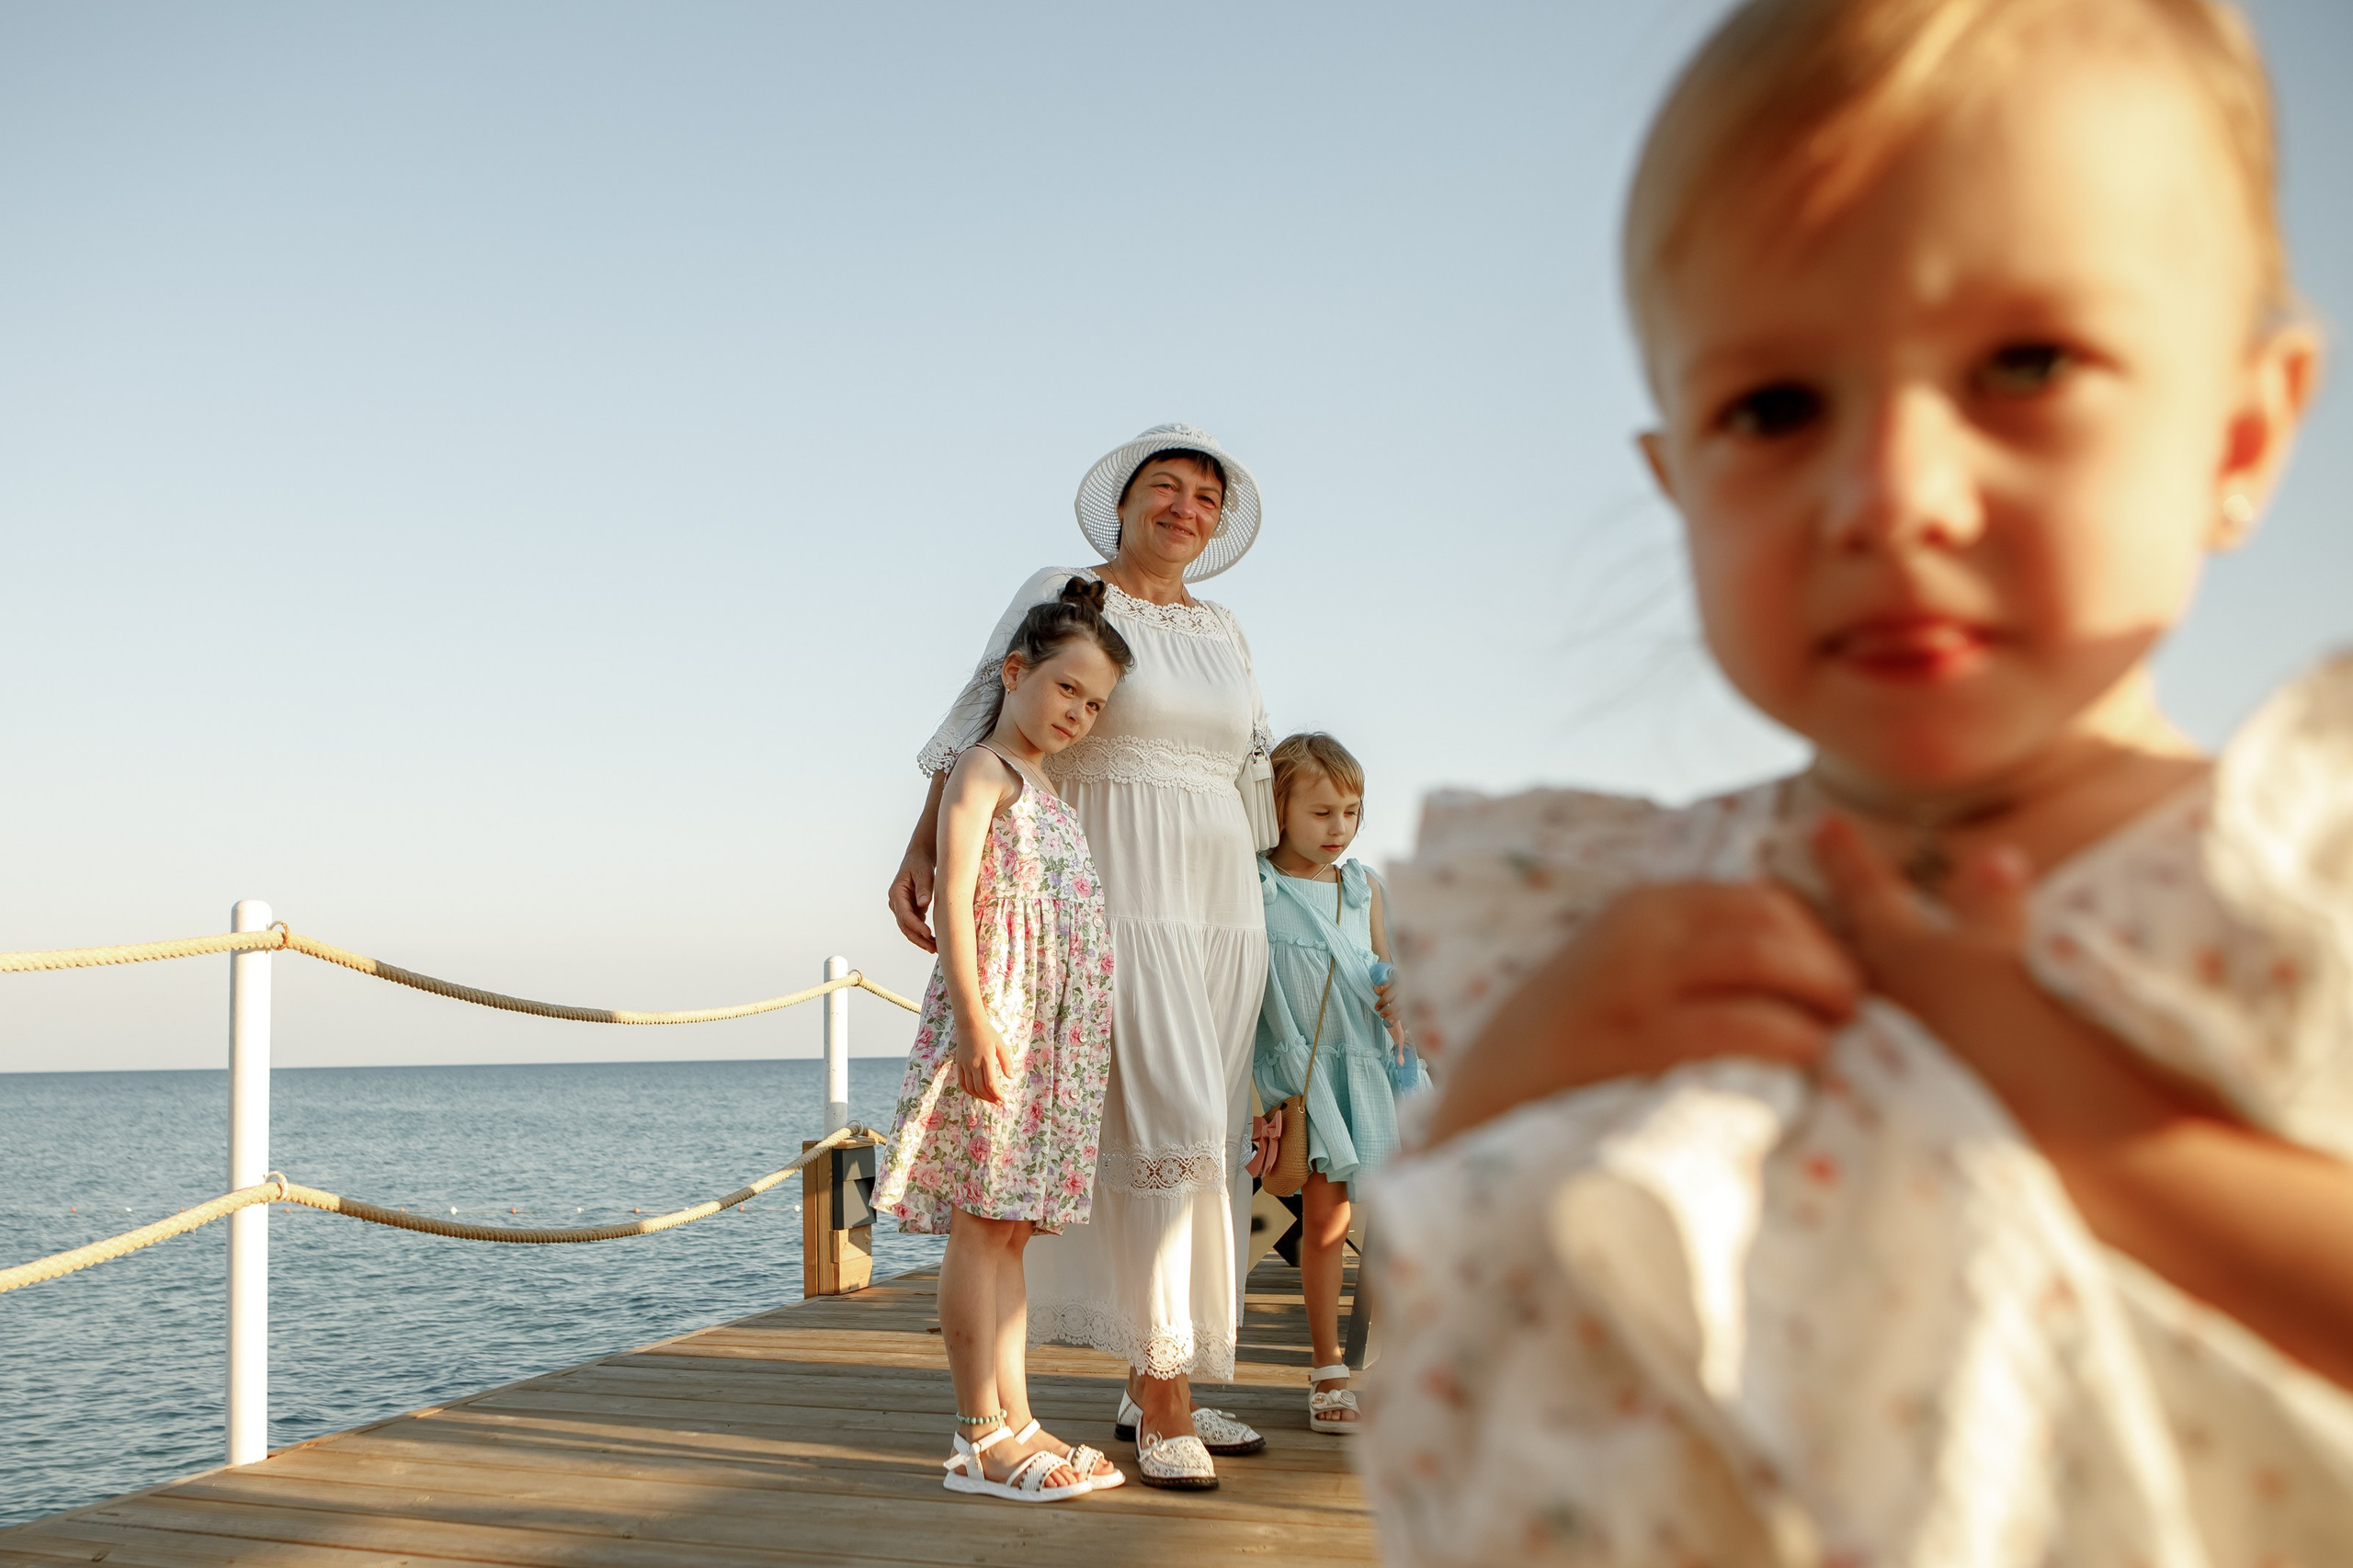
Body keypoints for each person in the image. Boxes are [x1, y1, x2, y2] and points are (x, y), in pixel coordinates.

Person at [1361, 0, 2352, 1562]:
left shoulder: (2300, 877)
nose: (1890, 494)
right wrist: (1508, 1090)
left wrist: (2055, 1086)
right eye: (1775, 407)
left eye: (2025, 363)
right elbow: (1450, 1384)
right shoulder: (1612, 905)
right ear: (1679, 480)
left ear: (2238, 436)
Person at [889, 424, 1273, 1490]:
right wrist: (924, 845)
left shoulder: (1226, 628)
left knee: (1207, 1132)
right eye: (1166, 486)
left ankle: (1155, 1370)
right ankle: (1159, 1399)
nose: (1185, 507)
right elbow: (981, 717)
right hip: (1114, 888)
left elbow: (1251, 772)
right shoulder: (1068, 591)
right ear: (1126, 499)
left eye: (1206, 496)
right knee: (1166, 1124)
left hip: (1220, 902)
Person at [874, 580, 1133, 1502]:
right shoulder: (983, 769)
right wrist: (977, 1022)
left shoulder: (1050, 788)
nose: (1078, 713)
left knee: (1013, 1230)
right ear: (1015, 671)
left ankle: (1017, 1416)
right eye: (1067, 688)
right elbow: (955, 897)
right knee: (981, 1224)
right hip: (1001, 1019)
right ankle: (979, 1432)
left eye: (1094, 704)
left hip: (1051, 1039)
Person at [1252, 732, 1423, 1437]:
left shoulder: (1364, 887)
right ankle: (1327, 1369)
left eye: (1350, 812)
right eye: (1321, 812)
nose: (1339, 828)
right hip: (1307, 1077)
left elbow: (1389, 965)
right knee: (1324, 1223)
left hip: (1375, 1069)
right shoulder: (1256, 885)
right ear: (1278, 808)